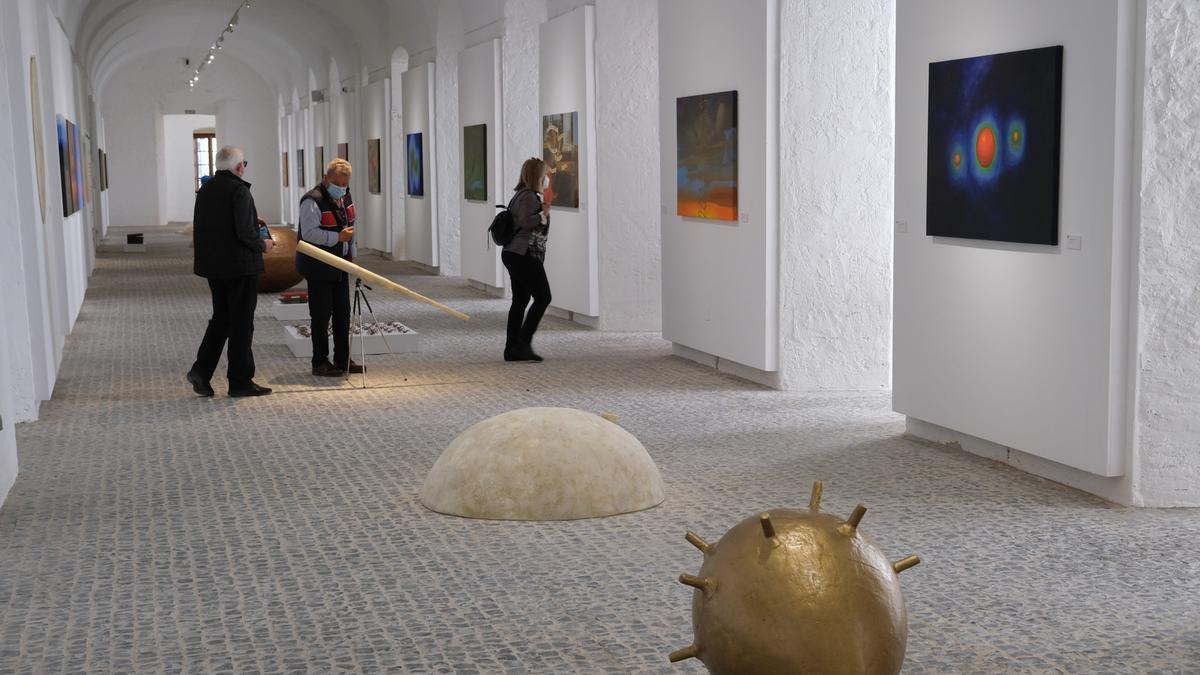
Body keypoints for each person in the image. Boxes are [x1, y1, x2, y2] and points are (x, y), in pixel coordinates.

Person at [187, 146, 274, 397]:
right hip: (241, 267)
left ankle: (201, 371)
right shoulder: (239, 191)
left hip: (215, 268)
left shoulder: (206, 190)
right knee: (241, 323)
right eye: (243, 163)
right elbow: (245, 234)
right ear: (238, 167)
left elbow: (212, 226)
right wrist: (264, 245)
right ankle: (240, 381)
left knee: (222, 319)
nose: (244, 167)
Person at [295, 159, 363, 377]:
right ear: (326, 179)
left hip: (340, 265)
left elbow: (352, 227)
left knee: (343, 314)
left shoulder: (346, 197)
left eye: (344, 185)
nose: (341, 189)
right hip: (319, 267)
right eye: (337, 184)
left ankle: (342, 359)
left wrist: (353, 254)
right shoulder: (311, 201)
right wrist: (338, 237)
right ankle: (320, 362)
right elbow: (309, 234)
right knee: (321, 315)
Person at [501, 157, 553, 362]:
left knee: (520, 301)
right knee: (543, 297)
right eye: (545, 175)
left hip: (514, 253)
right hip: (523, 254)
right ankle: (522, 344)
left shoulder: (520, 195)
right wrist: (543, 214)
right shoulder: (530, 197)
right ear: (537, 177)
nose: (547, 179)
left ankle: (512, 348)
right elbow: (525, 222)